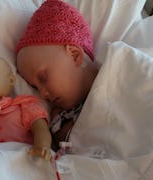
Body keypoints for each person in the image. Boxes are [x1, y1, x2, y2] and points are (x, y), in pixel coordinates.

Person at [15, 0, 99, 151]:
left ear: (74, 55)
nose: (42, 93)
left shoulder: (119, 75)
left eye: (43, 78)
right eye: (35, 87)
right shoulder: (60, 119)